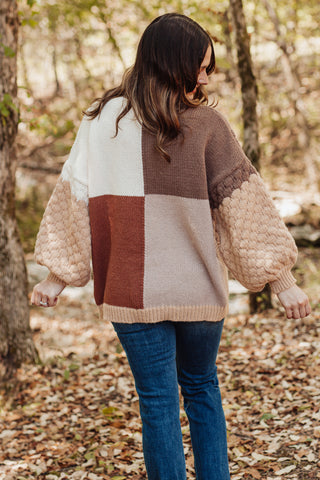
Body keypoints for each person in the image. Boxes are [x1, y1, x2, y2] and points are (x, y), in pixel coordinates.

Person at [31, 13, 311, 480]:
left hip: (131, 293)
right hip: (196, 289)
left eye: (208, 68)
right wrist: (281, 282)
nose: (205, 78)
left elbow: (76, 198)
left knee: (158, 401)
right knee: (200, 389)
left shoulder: (101, 123)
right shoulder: (206, 126)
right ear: (170, 63)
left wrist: (58, 275)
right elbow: (242, 206)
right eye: (198, 67)